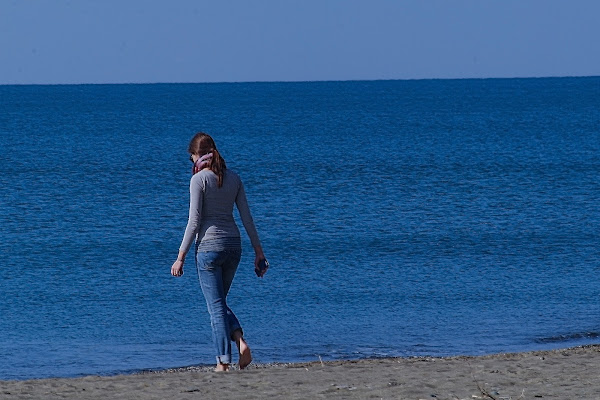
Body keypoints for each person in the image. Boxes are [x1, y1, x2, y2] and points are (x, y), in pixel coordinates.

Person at [171, 132, 268, 372]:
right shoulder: (233, 178)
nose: (192, 162)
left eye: (191, 157)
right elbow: (246, 217)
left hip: (209, 248)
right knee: (219, 303)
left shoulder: (199, 180)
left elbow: (194, 222)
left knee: (215, 307)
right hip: (234, 247)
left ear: (196, 155)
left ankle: (223, 362)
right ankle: (239, 342)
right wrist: (259, 252)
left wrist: (180, 256)